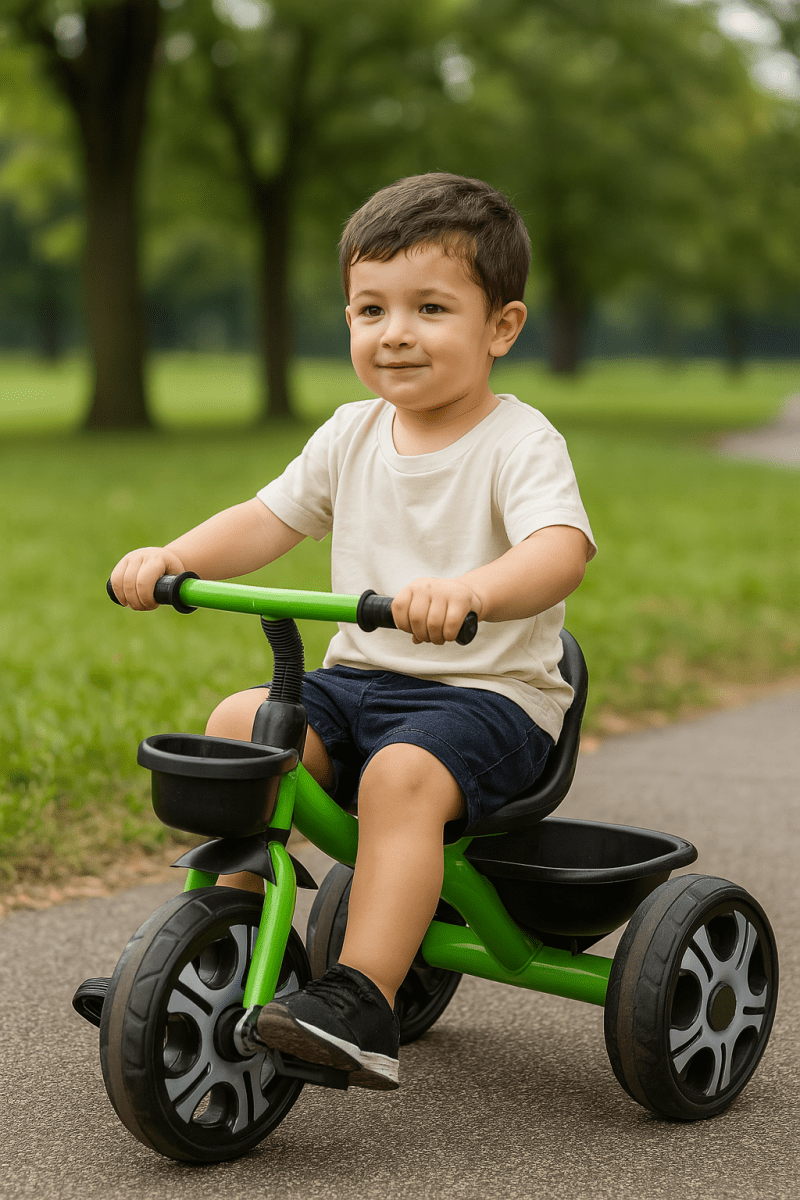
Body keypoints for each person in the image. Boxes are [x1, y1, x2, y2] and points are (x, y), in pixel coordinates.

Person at [110, 172, 596, 1093]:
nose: (395, 332)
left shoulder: (519, 442)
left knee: (400, 777)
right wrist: (172, 556)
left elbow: (560, 550)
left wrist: (472, 592)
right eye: (370, 308)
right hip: (357, 678)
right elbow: (268, 517)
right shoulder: (351, 432)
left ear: (502, 327)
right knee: (239, 723)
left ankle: (362, 999)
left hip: (488, 697)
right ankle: (216, 951)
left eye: (429, 307)